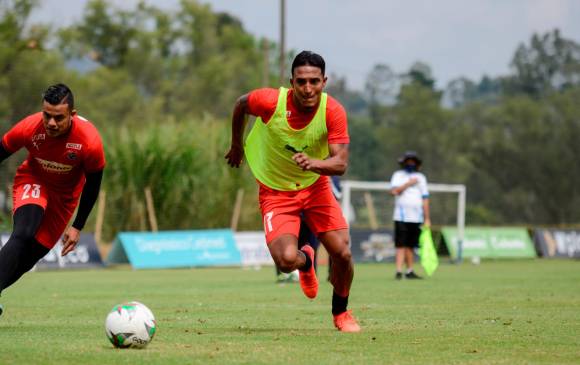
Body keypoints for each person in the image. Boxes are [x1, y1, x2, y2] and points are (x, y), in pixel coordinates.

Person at [225, 51, 360, 332]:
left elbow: (341, 164)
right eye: (301, 82)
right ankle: (306, 260)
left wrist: (315, 163)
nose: (308, 88)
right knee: (286, 261)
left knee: (343, 254)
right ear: (291, 82)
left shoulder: (333, 111)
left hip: (315, 187)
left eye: (314, 81)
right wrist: (237, 145)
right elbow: (240, 105)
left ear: (324, 81)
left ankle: (341, 313)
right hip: (276, 190)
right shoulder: (270, 101)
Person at [0, 84, 105, 317]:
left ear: (73, 115)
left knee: (29, 257)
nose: (51, 123)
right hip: (34, 179)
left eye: (59, 117)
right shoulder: (29, 127)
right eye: (47, 115)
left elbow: (93, 185)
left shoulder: (89, 141)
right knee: (24, 233)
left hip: (65, 199)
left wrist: (77, 226)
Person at [389, 151, 431, 280]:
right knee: (401, 244)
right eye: (409, 161)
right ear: (404, 162)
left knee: (411, 245)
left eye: (413, 161)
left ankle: (410, 271)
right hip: (401, 216)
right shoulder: (398, 175)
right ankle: (398, 271)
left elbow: (425, 199)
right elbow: (393, 192)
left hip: (416, 217)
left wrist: (427, 218)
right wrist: (409, 183)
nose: (411, 163)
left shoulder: (421, 178)